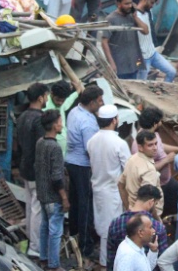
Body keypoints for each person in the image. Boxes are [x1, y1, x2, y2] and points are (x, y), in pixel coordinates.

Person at [87, 104, 132, 269]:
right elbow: (128, 170)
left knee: (103, 226)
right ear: (114, 120)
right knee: (110, 230)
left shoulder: (92, 141)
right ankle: (107, 263)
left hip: (98, 189)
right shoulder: (119, 143)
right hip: (113, 191)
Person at [66, 85, 104, 265]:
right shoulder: (89, 123)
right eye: (99, 101)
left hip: (72, 162)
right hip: (82, 165)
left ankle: (73, 235)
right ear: (91, 102)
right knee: (85, 205)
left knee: (76, 203)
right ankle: (86, 246)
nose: (101, 103)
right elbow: (91, 150)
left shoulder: (74, 111)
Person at [131, 107, 178, 217]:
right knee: (159, 211)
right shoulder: (139, 144)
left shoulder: (153, 135)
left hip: (166, 181)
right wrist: (167, 160)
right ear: (155, 123)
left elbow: (161, 146)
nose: (161, 123)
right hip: (154, 185)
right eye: (159, 121)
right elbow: (145, 168)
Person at [35, 110, 69, 271]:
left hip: (42, 194)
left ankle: (44, 259)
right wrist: (64, 197)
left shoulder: (40, 142)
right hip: (53, 196)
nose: (62, 124)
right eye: (61, 121)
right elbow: (56, 177)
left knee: (45, 227)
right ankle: (54, 265)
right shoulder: (54, 147)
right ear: (55, 125)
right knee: (55, 231)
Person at [17, 82, 49, 258]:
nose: (48, 98)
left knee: (30, 206)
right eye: (46, 96)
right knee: (37, 208)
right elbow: (41, 146)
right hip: (36, 169)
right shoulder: (40, 119)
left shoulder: (23, 116)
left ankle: (31, 241)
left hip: (25, 166)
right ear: (40, 98)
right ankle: (35, 247)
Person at [108, 185, 169, 267]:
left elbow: (110, 257)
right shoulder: (158, 227)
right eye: (156, 204)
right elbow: (163, 260)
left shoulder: (115, 223)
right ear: (151, 202)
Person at [102, 0, 149, 79]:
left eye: (131, 3)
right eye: (126, 4)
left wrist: (135, 17)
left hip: (134, 63)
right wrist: (111, 63)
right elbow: (104, 42)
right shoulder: (111, 19)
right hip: (119, 65)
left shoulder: (132, 16)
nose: (130, 6)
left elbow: (145, 31)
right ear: (118, 4)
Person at [135, 0, 177, 82]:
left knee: (172, 72)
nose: (152, 5)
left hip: (152, 53)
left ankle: (164, 91)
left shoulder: (148, 13)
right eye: (151, 2)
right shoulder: (134, 16)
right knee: (141, 83)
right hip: (142, 57)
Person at [119, 131, 164, 216]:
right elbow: (149, 201)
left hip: (134, 212)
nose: (155, 148)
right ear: (140, 147)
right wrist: (157, 221)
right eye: (150, 145)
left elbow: (120, 184)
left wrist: (129, 208)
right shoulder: (148, 169)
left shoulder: (132, 159)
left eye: (155, 143)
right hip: (147, 217)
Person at [43, 80, 82, 155]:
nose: (60, 103)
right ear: (51, 93)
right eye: (58, 100)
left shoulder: (62, 104)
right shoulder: (45, 108)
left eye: (62, 101)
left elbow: (68, 101)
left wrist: (78, 91)